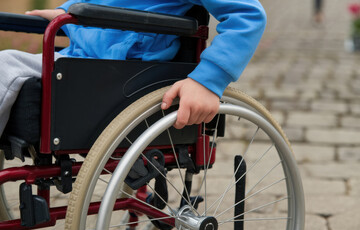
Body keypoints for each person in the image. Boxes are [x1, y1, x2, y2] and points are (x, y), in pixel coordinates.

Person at [0, 0, 266, 137]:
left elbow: (248, 17)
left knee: (6, 66)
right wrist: (65, 10)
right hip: (79, 60)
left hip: (123, 72)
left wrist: (207, 80)